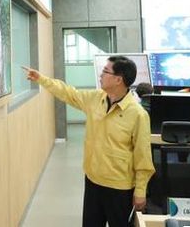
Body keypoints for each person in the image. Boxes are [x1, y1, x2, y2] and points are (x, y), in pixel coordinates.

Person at [23, 56, 154, 227]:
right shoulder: (95, 99)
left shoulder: (138, 115)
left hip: (120, 188)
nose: (101, 75)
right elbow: (68, 93)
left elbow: (143, 156)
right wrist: (41, 79)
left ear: (118, 80)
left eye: (105, 71)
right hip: (93, 181)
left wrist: (140, 191)